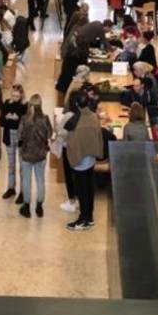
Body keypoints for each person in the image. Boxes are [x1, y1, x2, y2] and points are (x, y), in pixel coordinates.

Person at [63, 86, 104, 231]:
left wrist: (72, 159)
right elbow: (99, 137)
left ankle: (83, 219)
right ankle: (90, 217)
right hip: (91, 158)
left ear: (76, 105)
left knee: (82, 191)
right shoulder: (93, 117)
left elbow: (72, 144)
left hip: (79, 161)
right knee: (89, 188)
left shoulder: (76, 122)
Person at [17, 93, 52, 218]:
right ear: (40, 105)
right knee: (40, 181)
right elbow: (49, 135)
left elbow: (19, 136)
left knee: (26, 181)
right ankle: (39, 207)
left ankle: (26, 207)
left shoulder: (24, 119)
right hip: (41, 155)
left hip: (26, 154)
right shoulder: (45, 119)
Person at [0, 84, 27, 202]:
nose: (14, 98)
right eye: (13, 95)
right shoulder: (6, 104)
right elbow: (1, 122)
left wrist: (18, 119)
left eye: (17, 96)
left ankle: (22, 191)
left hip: (21, 137)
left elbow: (26, 123)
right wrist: (7, 118)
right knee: (11, 165)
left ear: (21, 96)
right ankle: (11, 188)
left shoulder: (25, 106)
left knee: (22, 166)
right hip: (9, 135)